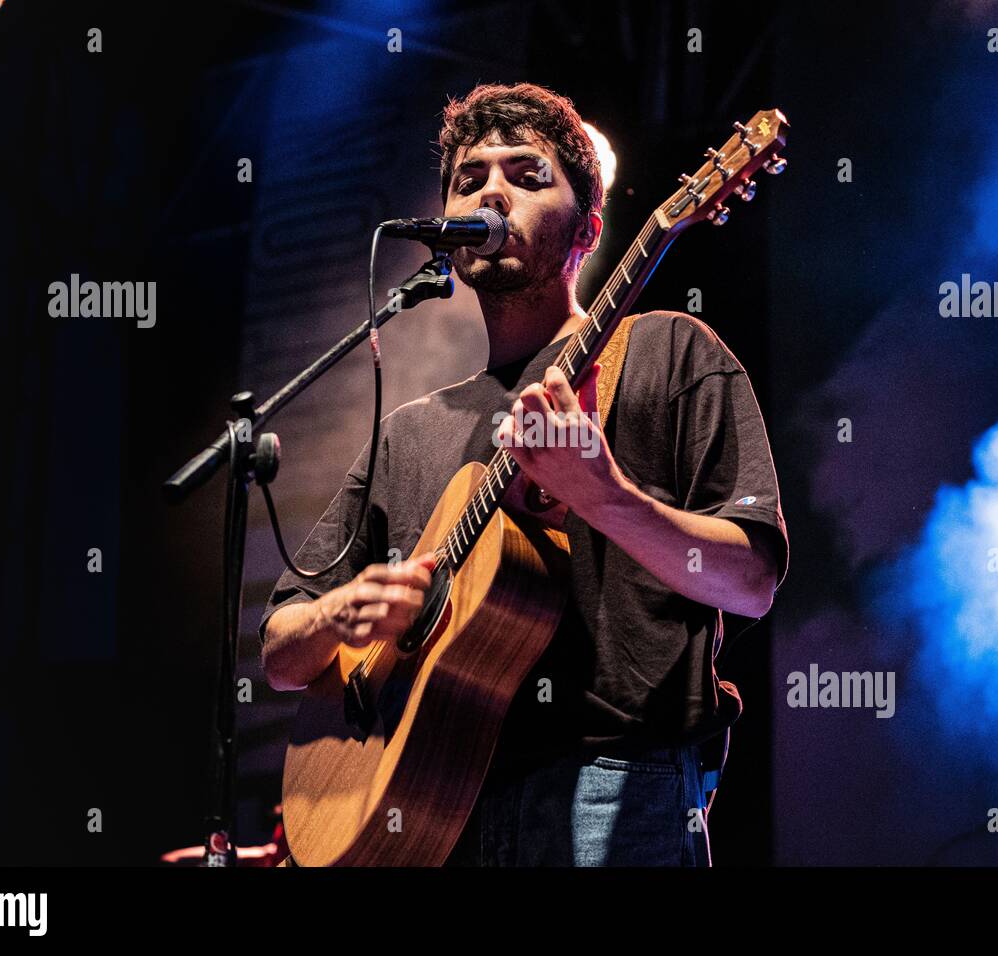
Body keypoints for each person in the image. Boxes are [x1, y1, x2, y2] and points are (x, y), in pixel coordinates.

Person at [259, 82, 788, 866]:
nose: (492, 192)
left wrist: (603, 497)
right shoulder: (407, 434)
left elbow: (749, 581)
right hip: (429, 802)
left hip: (614, 789)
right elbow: (278, 653)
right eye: (469, 180)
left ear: (589, 230)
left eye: (527, 174)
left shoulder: (667, 353)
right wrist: (343, 615)